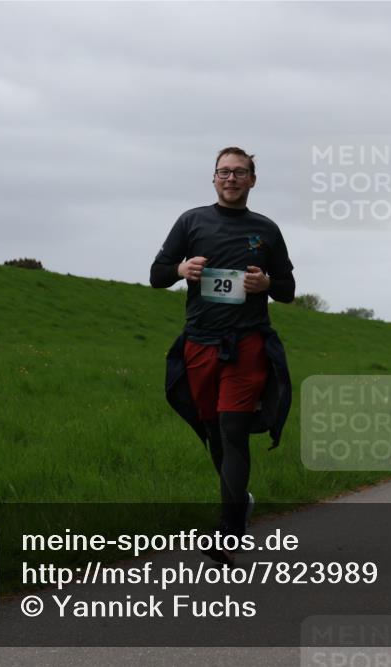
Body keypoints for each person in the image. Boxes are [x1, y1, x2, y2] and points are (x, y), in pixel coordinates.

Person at [151, 147, 296, 565]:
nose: (231, 178)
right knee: (215, 433)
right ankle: (240, 503)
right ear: (213, 179)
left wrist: (265, 283)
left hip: (246, 344)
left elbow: (286, 289)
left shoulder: (266, 229)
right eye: (224, 172)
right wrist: (182, 270)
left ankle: (228, 532)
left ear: (252, 180)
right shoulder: (191, 221)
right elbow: (156, 275)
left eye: (240, 172)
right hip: (200, 343)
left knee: (233, 431)